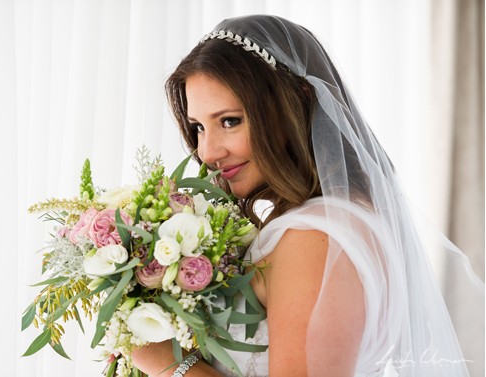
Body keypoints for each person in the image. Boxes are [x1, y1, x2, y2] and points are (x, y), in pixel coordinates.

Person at [130, 15, 483, 377]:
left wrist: (169, 364)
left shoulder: (313, 239)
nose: (208, 152)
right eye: (199, 127)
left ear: (296, 102)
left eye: (230, 121)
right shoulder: (341, 219)